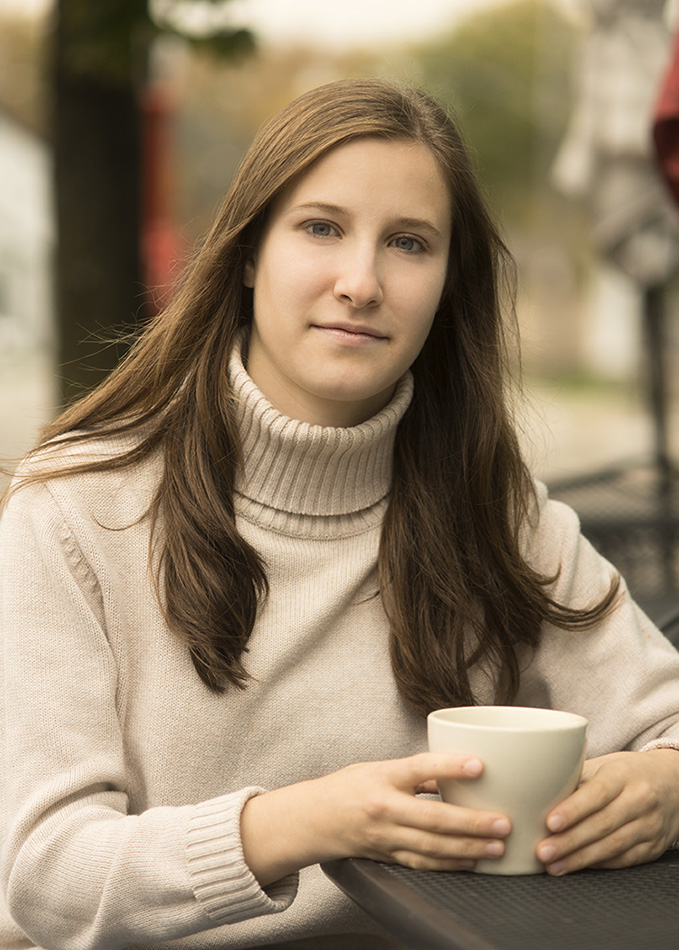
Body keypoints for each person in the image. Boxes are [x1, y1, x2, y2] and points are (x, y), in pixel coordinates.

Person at [1, 78, 679, 950]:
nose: (360, 283)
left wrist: (662, 789)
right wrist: (311, 822)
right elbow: (47, 873)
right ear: (248, 253)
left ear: (446, 283)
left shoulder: (496, 514)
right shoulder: (74, 510)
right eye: (321, 228)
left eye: (408, 243)